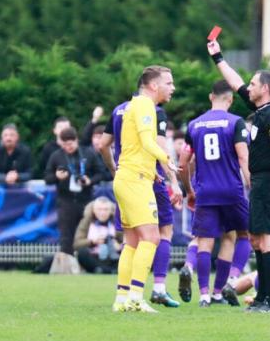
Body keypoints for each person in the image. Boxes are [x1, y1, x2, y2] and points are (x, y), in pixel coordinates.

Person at [208, 39, 270, 313]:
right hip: (259, 183)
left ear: (265, 89)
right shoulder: (260, 111)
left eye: (254, 84)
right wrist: (218, 56)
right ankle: (262, 297)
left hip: (267, 182)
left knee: (266, 239)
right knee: (256, 239)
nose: (249, 87)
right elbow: (234, 82)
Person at [110, 65, 181, 313]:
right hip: (134, 180)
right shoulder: (144, 105)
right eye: (169, 83)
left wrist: (155, 173)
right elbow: (147, 141)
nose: (172, 88)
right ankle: (137, 297)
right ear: (153, 85)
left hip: (130, 176)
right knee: (152, 237)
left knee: (131, 241)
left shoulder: (136, 105)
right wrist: (166, 159)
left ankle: (122, 298)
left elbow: (133, 146)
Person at [178, 79, 250, 307]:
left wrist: (189, 189)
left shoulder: (194, 125)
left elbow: (183, 161)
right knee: (241, 236)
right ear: (231, 99)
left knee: (204, 242)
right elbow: (242, 156)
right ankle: (229, 282)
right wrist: (250, 183)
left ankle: (205, 295)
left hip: (205, 191)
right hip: (232, 190)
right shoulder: (236, 122)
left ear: (211, 97)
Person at [45, 127, 105, 256]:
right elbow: (47, 178)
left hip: (86, 200)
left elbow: (101, 173)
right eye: (65, 145)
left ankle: (87, 264)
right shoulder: (56, 156)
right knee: (66, 236)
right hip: (66, 201)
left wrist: (90, 181)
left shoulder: (88, 153)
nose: (68, 147)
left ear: (76, 140)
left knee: (87, 233)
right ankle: (67, 266)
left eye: (71, 144)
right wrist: (57, 177)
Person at [73, 196, 122, 273]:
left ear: (111, 210)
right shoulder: (86, 222)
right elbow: (76, 244)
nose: (102, 213)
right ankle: (106, 270)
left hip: (113, 257)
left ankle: (106, 270)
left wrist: (119, 246)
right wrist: (92, 242)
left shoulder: (116, 222)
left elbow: (127, 241)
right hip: (95, 257)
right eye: (99, 209)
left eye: (106, 209)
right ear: (93, 210)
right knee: (82, 253)